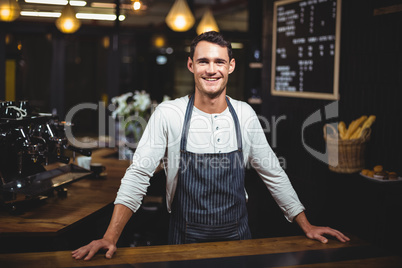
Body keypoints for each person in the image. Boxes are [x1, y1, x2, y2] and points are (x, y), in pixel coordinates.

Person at [72, 31, 349, 260]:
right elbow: (137, 176)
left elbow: (273, 173)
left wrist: (306, 225)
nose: (212, 69)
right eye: (203, 61)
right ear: (191, 65)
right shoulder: (169, 114)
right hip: (184, 241)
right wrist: (110, 237)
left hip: (239, 239)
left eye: (219, 62)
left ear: (231, 66)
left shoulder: (244, 114)